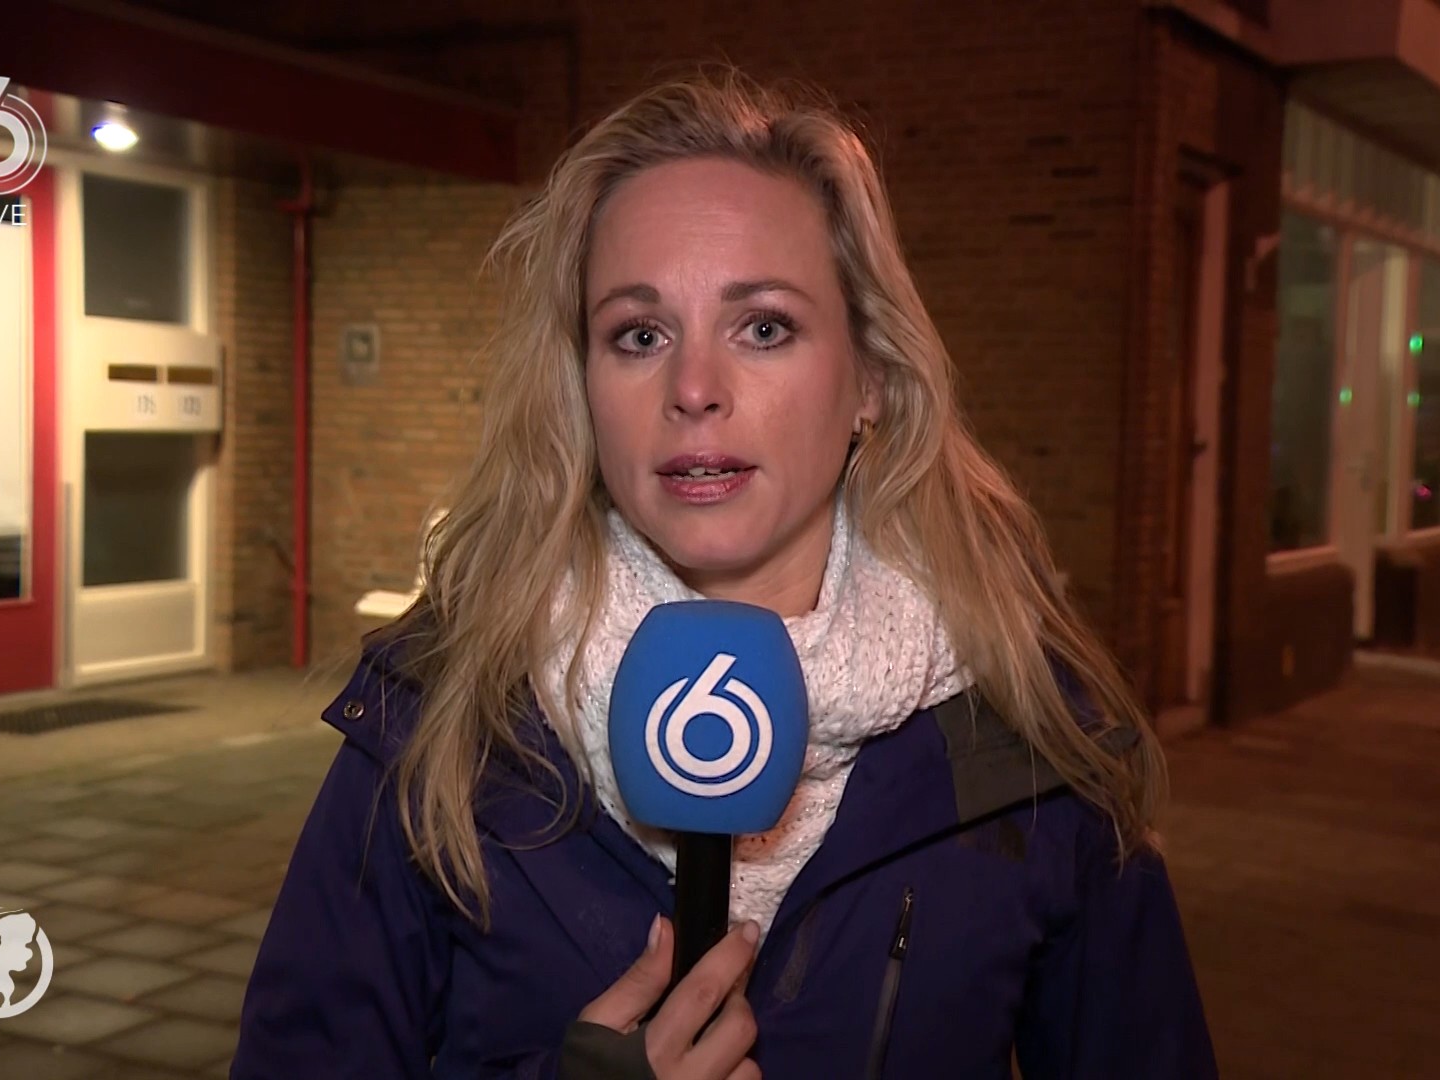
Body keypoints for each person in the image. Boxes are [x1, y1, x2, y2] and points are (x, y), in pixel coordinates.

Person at [232, 68, 1217, 1079]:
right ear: (582, 385)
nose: (694, 388)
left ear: (871, 376)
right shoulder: (440, 717)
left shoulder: (1026, 738)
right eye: (640, 334)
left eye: (764, 327)